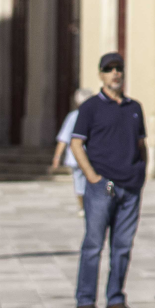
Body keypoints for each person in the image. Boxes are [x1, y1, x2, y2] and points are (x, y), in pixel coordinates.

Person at [70, 52, 147, 308]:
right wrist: (92, 177)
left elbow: (141, 144)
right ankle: (85, 301)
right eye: (109, 69)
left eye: (119, 68)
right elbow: (76, 143)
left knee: (123, 245)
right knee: (93, 244)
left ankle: (115, 299)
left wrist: (141, 175)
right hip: (104, 185)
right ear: (101, 74)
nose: (115, 73)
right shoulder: (90, 107)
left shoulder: (134, 108)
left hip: (130, 187)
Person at [52, 88, 95, 216]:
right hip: (78, 158)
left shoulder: (93, 116)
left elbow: (63, 139)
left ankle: (87, 207)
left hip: (93, 157)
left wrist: (57, 157)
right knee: (81, 183)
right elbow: (64, 138)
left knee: (86, 184)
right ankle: (84, 207)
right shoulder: (73, 117)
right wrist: (57, 156)